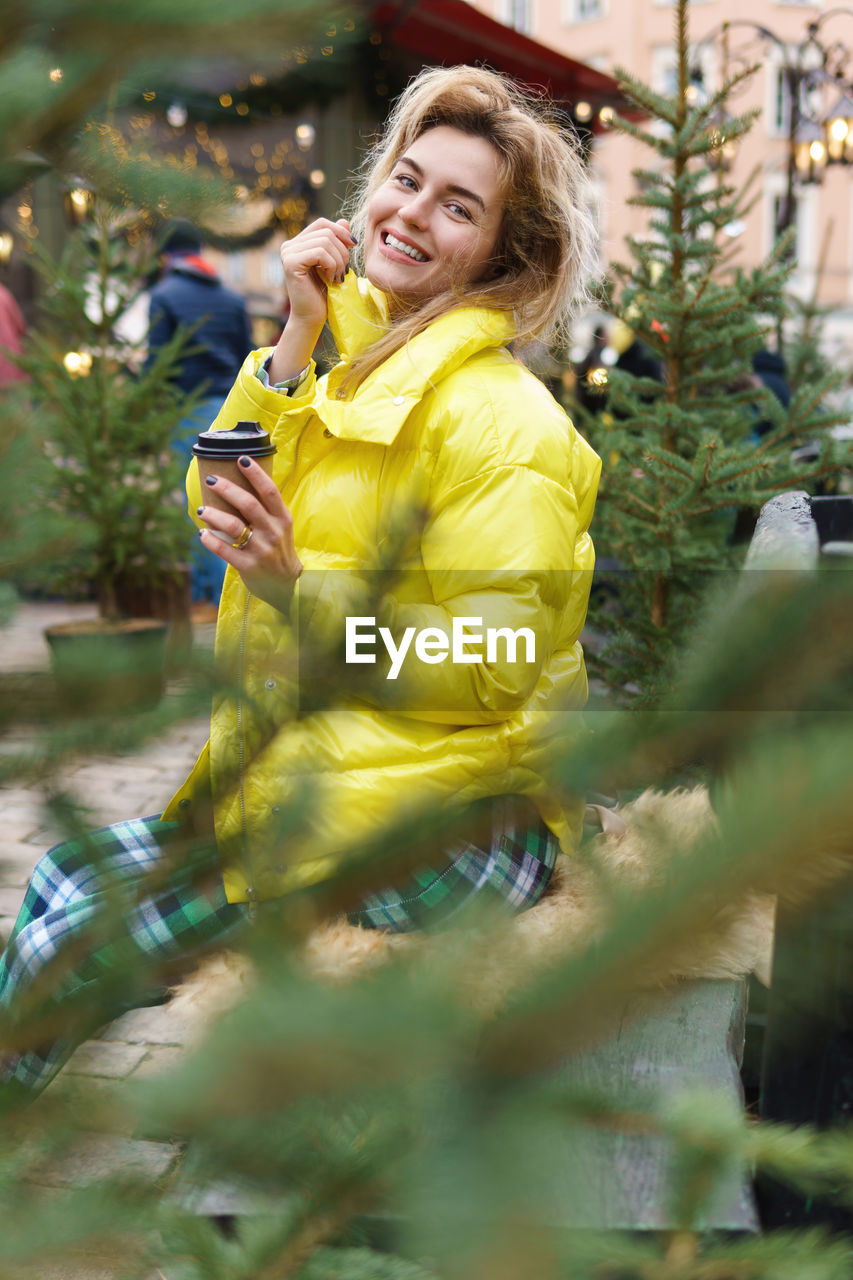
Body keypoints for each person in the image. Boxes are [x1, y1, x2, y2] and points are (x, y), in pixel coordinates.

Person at [0, 65, 600, 1099]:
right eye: (405, 179)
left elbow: (492, 656)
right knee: (59, 877)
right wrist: (293, 333)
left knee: (75, 942)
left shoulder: (505, 424)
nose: (410, 214)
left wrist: (295, 589)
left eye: (456, 206)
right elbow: (218, 503)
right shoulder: (355, 366)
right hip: (352, 778)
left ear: (502, 253)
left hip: (460, 824)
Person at [146, 219, 253, 607]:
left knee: (196, 506)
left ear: (166, 255)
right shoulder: (232, 298)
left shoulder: (163, 296)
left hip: (188, 410)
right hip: (231, 412)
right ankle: (231, 594)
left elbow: (158, 364)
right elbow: (249, 355)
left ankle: (206, 599)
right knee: (229, 507)